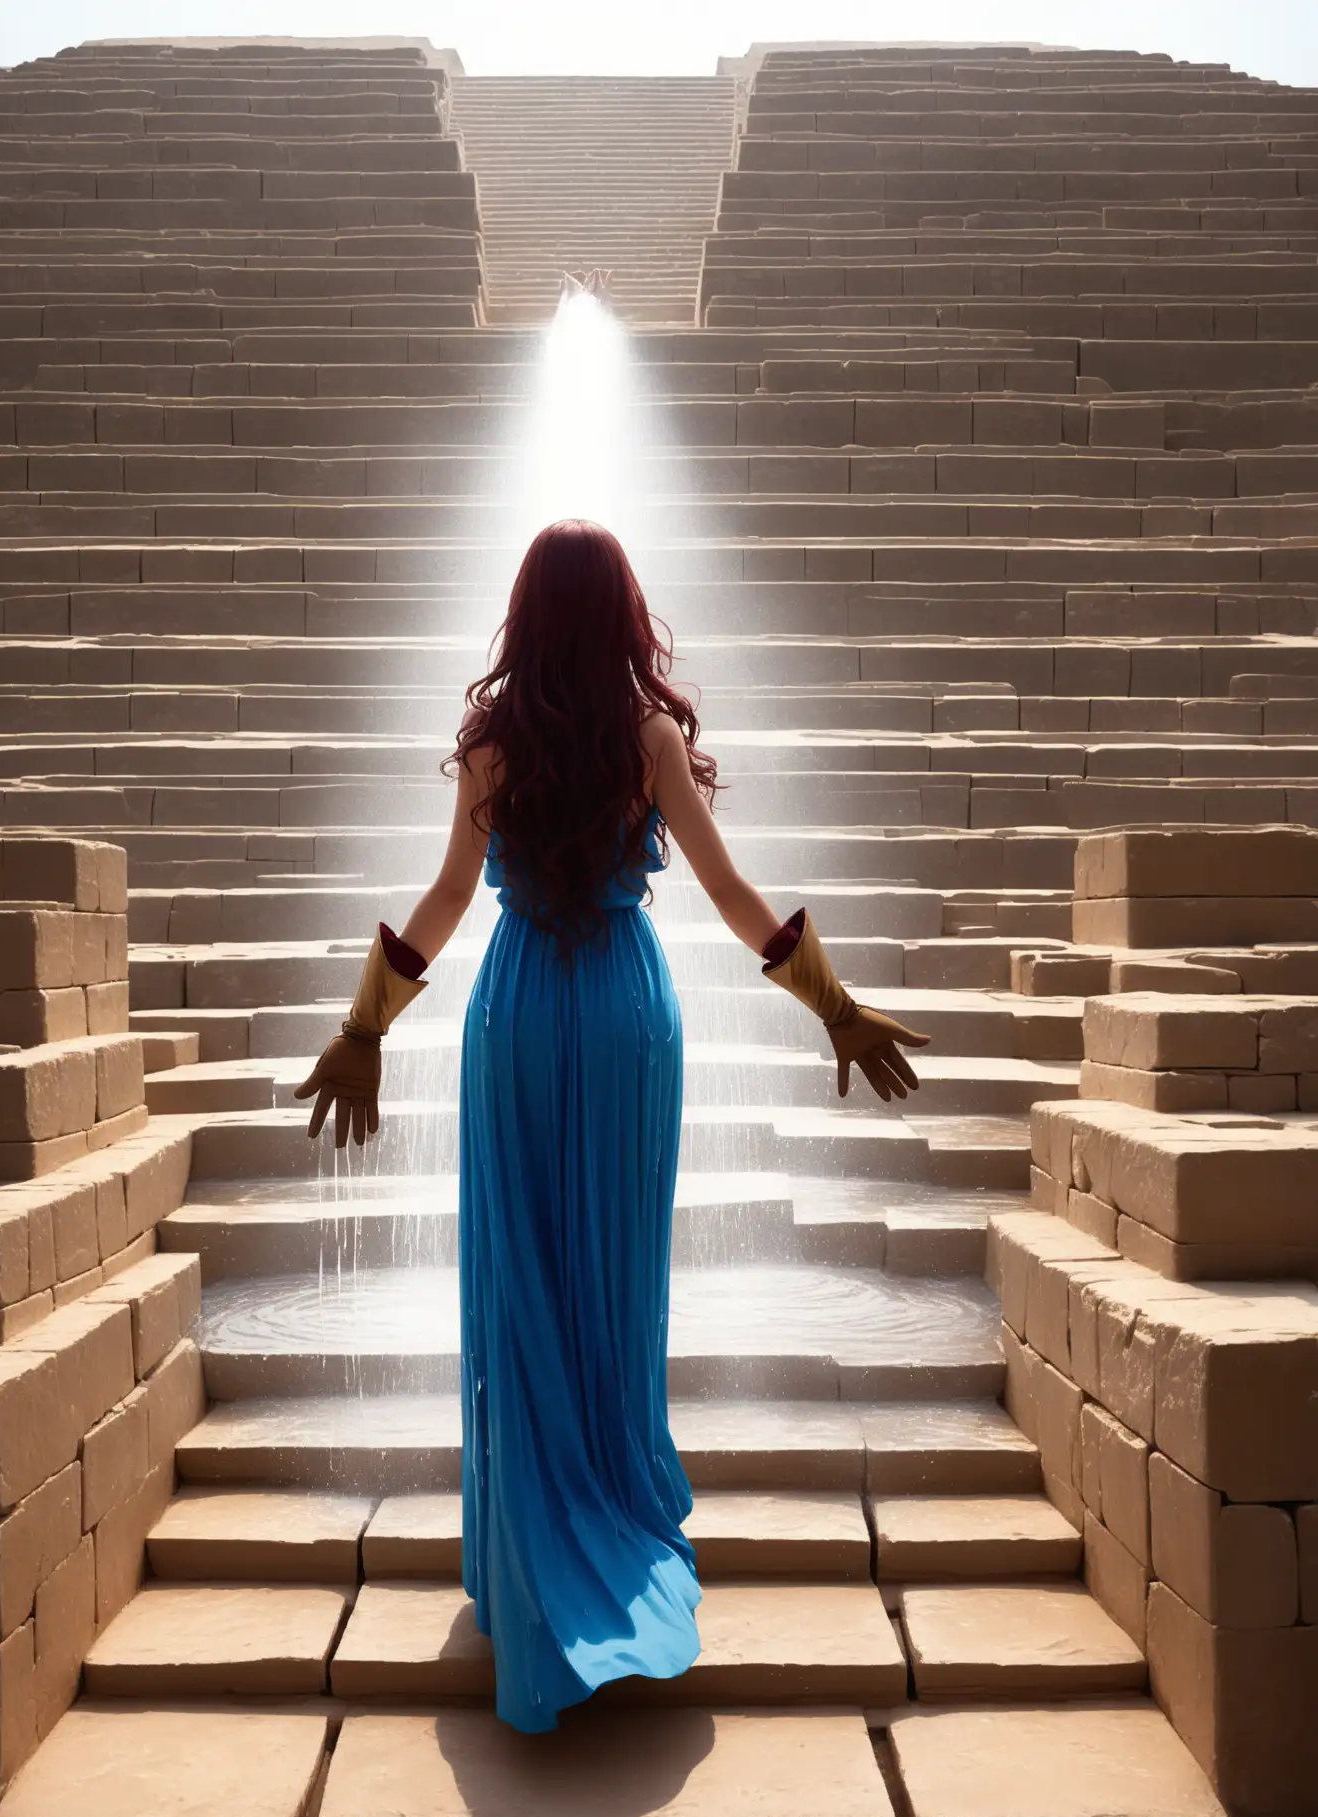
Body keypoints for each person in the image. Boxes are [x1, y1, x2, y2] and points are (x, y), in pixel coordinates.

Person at [296, 519, 930, 1733]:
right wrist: (835, 1010)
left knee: (522, 1279)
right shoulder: (649, 740)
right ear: (625, 614)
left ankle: (534, 1557)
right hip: (629, 1016)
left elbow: (441, 900)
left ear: (526, 616)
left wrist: (364, 1028)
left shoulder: (490, 743)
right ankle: (612, 1522)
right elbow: (734, 892)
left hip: (523, 1008)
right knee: (614, 1278)